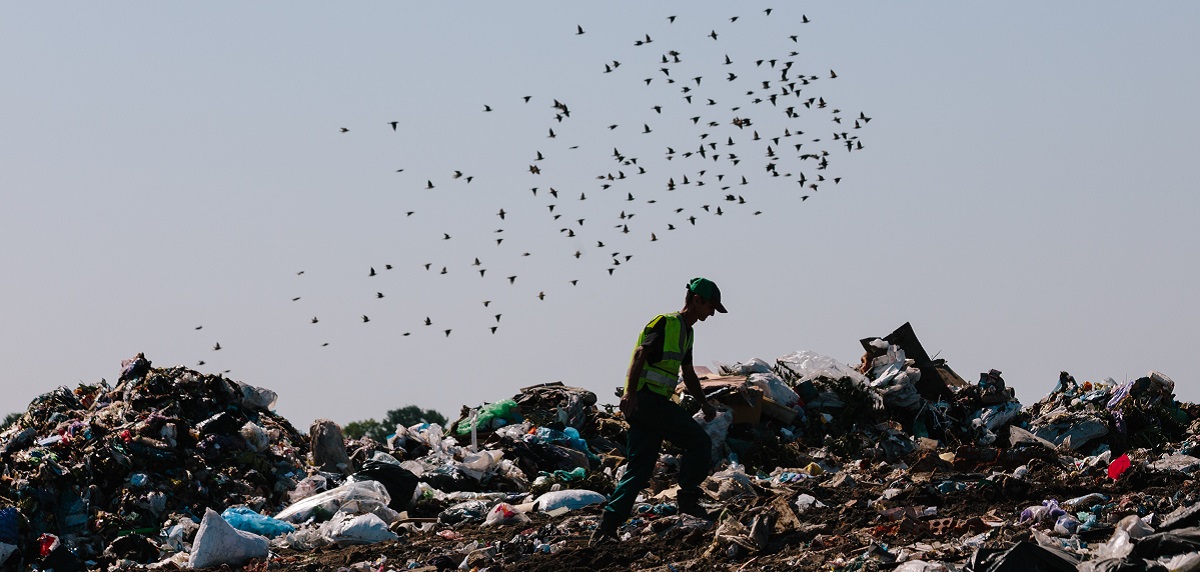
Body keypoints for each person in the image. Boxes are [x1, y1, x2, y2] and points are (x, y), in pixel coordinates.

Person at [591, 277, 728, 545]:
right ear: (697, 300)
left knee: (639, 470)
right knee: (698, 441)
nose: (711, 313)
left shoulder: (688, 332)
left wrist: (703, 403)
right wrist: (629, 393)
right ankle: (688, 500)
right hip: (646, 400)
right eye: (710, 307)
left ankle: (606, 527)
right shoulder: (665, 322)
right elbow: (640, 354)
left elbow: (687, 373)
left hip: (650, 404)